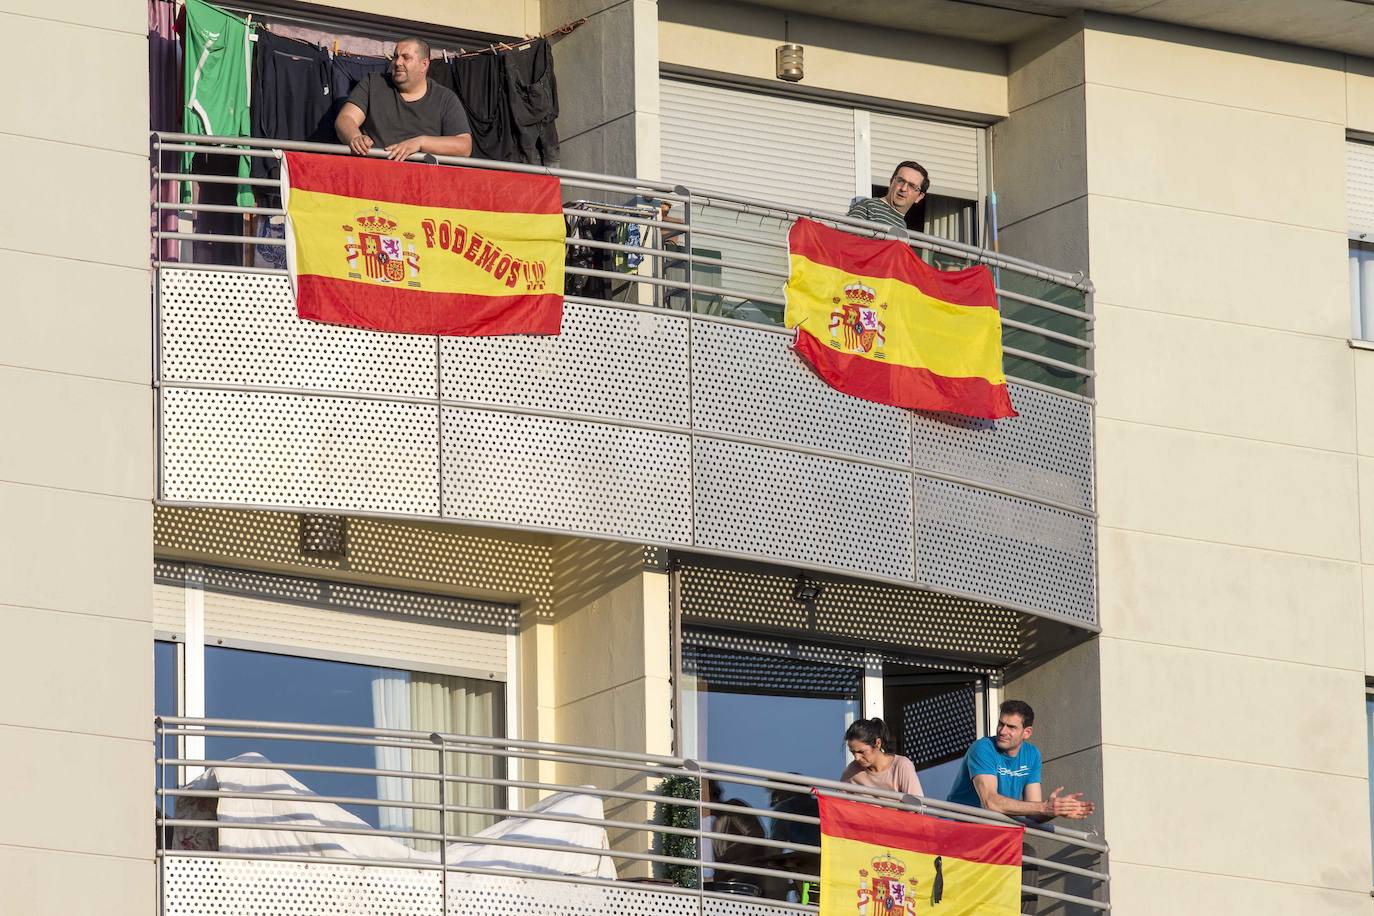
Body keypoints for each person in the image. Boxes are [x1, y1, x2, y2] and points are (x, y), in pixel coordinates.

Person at [946, 699, 1095, 821]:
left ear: (1027, 732)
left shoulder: (1032, 754)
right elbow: (990, 802)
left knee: (1027, 853)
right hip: (959, 830)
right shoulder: (983, 748)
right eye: (1001, 724)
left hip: (994, 833)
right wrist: (1043, 807)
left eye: (1011, 727)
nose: (1002, 731)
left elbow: (1033, 811)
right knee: (1026, 854)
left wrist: (1056, 810)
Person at [335, 37, 473, 161]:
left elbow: (464, 146)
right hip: (372, 175)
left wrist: (421, 143)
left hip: (420, 182)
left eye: (406, 57)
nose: (398, 62)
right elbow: (346, 118)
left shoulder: (445, 98)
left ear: (424, 65)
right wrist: (355, 137)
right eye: (396, 56)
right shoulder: (373, 83)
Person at [840, 718, 923, 796]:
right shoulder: (852, 770)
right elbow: (837, 804)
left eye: (861, 752)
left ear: (878, 743)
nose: (857, 758)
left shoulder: (901, 766)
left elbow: (918, 808)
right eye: (853, 752)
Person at [846, 161, 929, 231]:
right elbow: (847, 239)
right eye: (900, 181)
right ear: (891, 181)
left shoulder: (902, 226)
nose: (903, 189)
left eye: (911, 186)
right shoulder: (868, 206)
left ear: (919, 197)